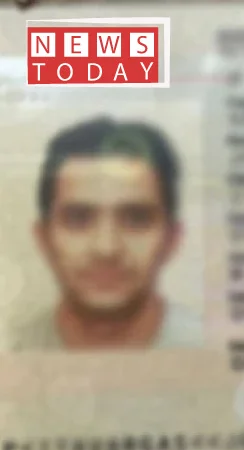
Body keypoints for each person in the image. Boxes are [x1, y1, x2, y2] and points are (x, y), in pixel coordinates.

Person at [7, 116, 202, 351]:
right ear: (44, 238)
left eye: (136, 219)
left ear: (172, 239)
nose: (106, 248)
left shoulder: (216, 352)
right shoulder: (11, 349)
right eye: (78, 219)